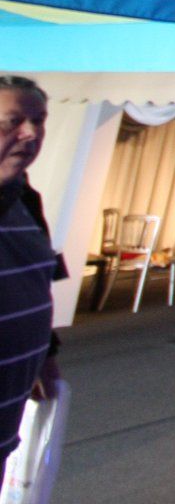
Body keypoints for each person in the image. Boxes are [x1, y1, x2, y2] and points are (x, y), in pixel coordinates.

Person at [0, 76, 59, 471]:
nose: (30, 133)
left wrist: (46, 354)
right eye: (11, 122)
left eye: (38, 121)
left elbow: (41, 279)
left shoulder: (25, 196)